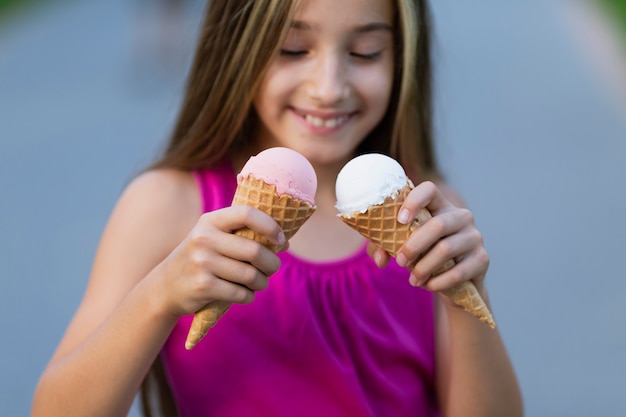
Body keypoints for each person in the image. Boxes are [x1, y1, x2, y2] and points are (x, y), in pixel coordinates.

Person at [32, 0, 523, 416]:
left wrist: (464, 298)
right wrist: (158, 296)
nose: (329, 87)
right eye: (292, 49)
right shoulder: (167, 206)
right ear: (235, 50)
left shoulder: (430, 217)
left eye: (364, 51)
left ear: (402, 58)